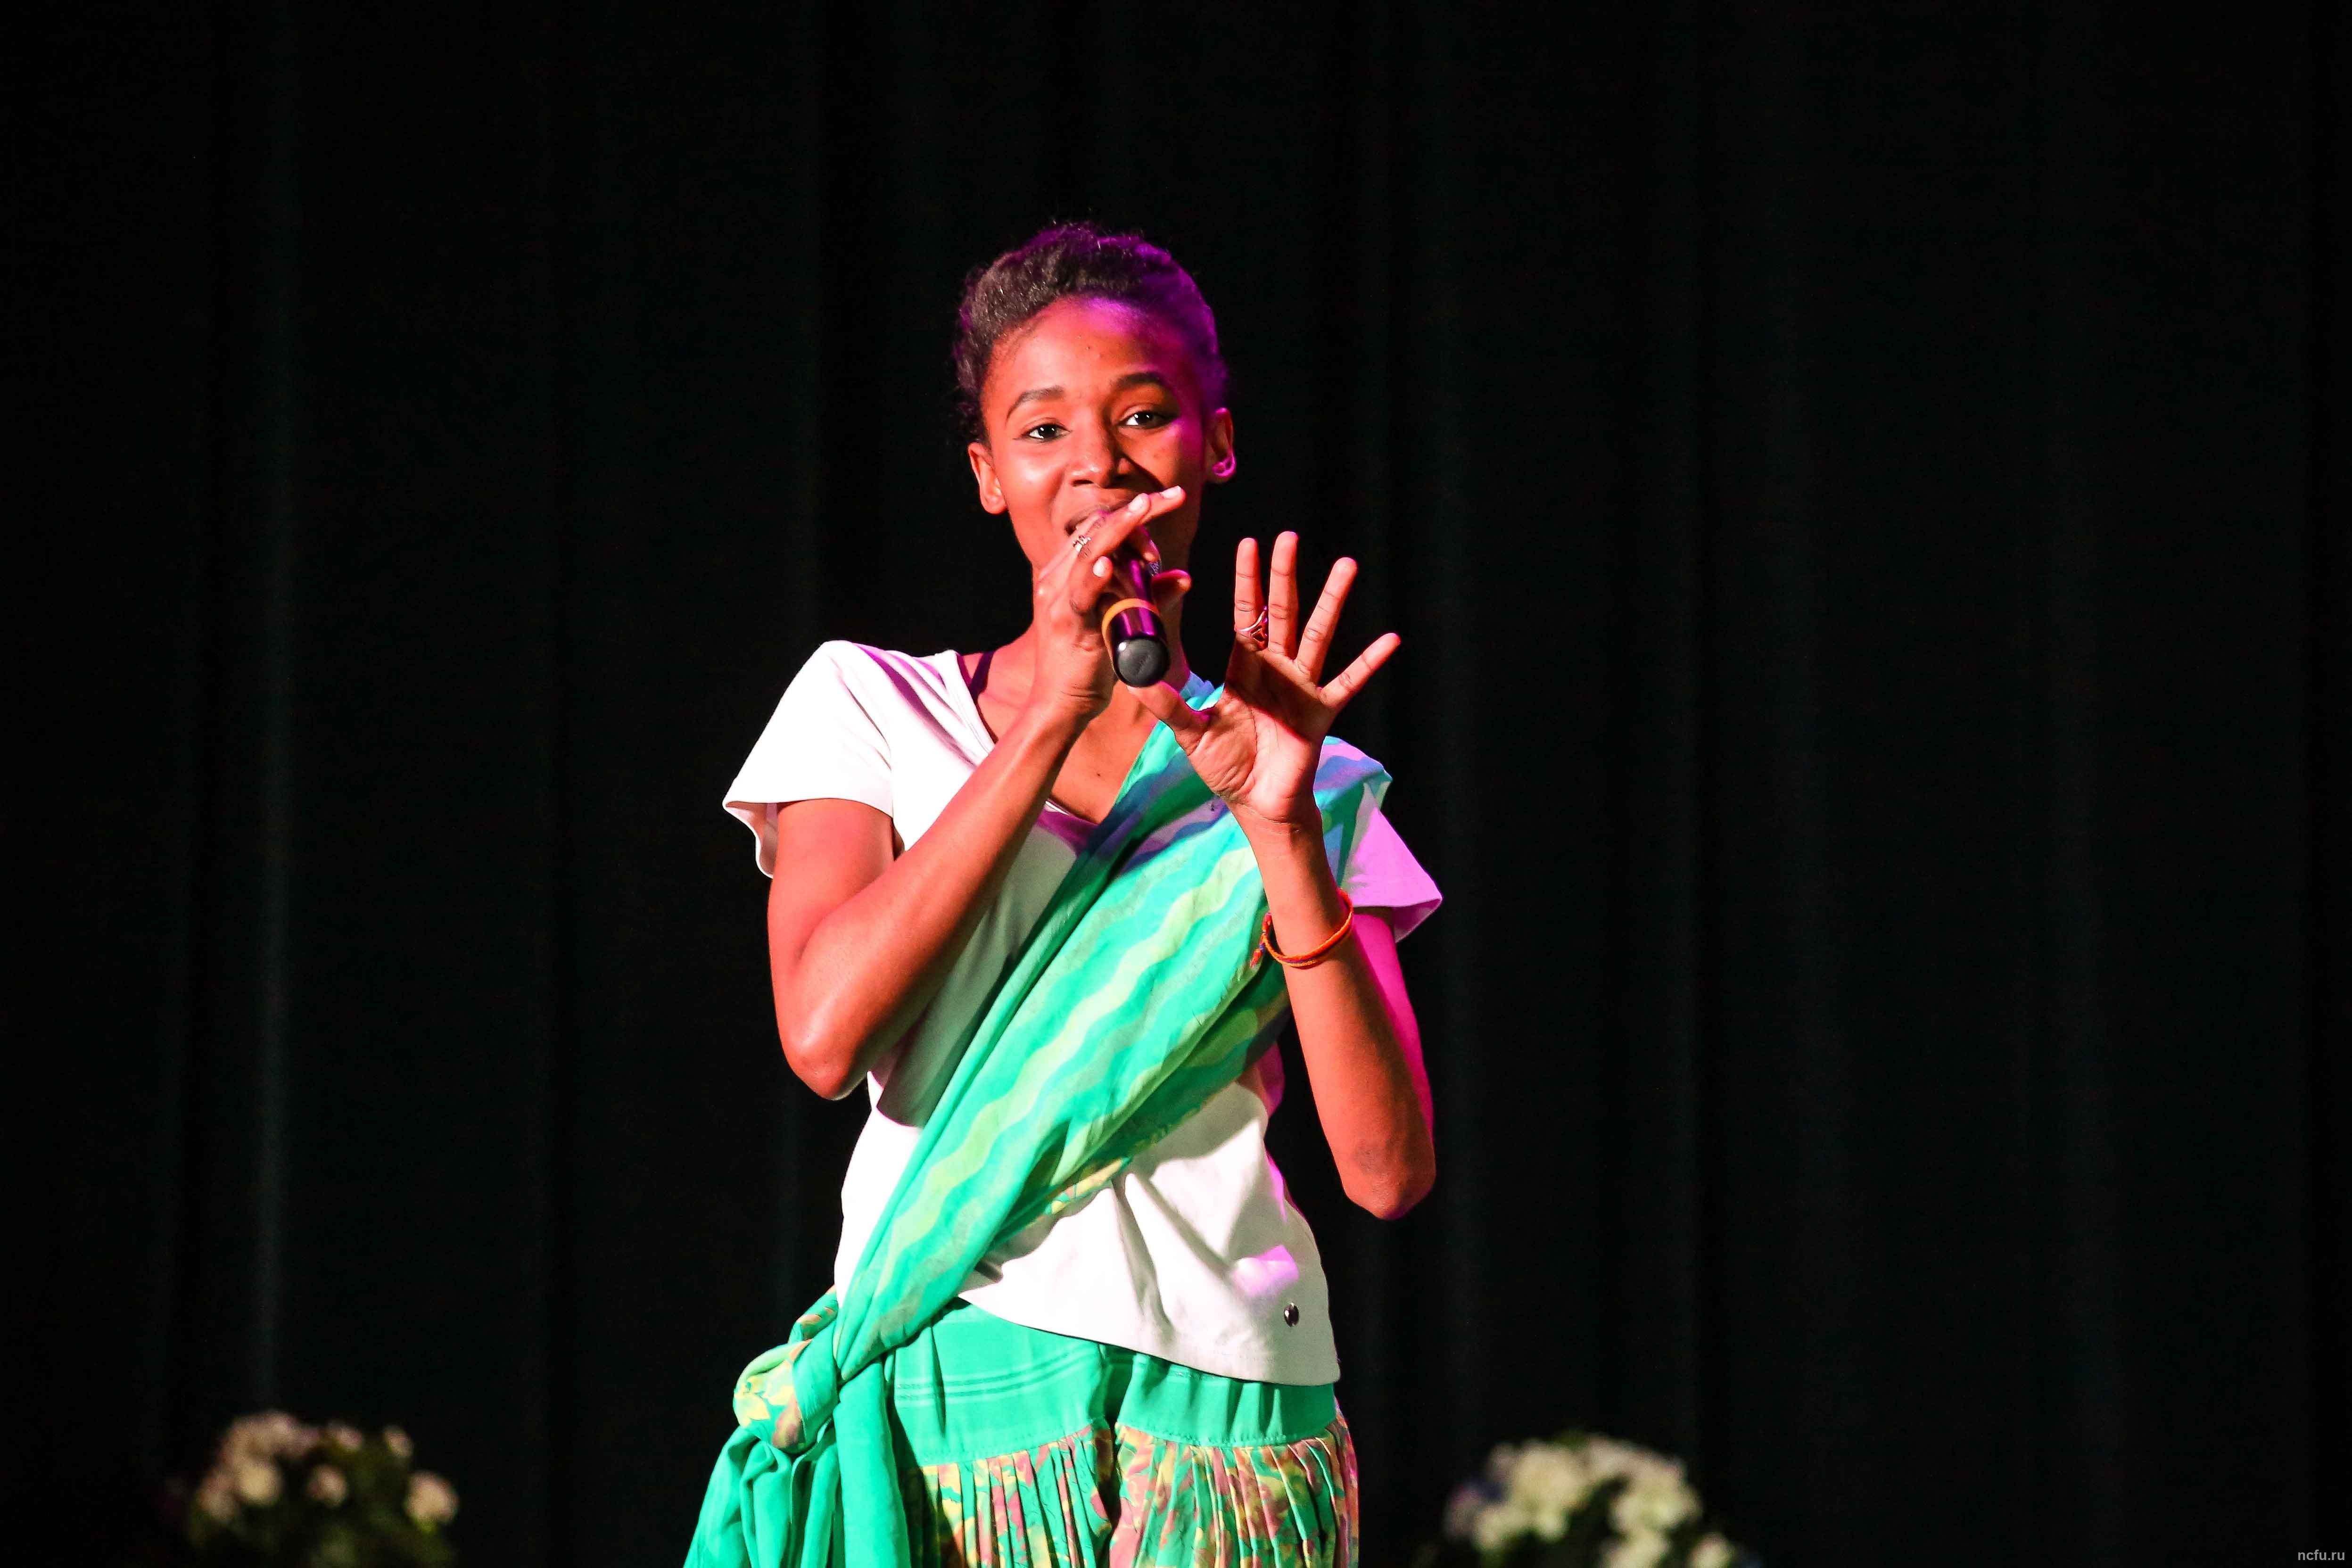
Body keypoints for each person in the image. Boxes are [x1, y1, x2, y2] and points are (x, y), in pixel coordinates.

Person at [686, 223, 1441, 1568]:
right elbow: (823, 1032)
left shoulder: (1302, 773)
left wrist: (1275, 826)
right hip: (954, 1375)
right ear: (988, 477)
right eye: (1042, 431)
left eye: (1143, 414)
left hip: (1231, 1407)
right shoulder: (872, 704)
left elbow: (1387, 1172)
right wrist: (1046, 719)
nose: (1097, 461)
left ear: (1213, 445)